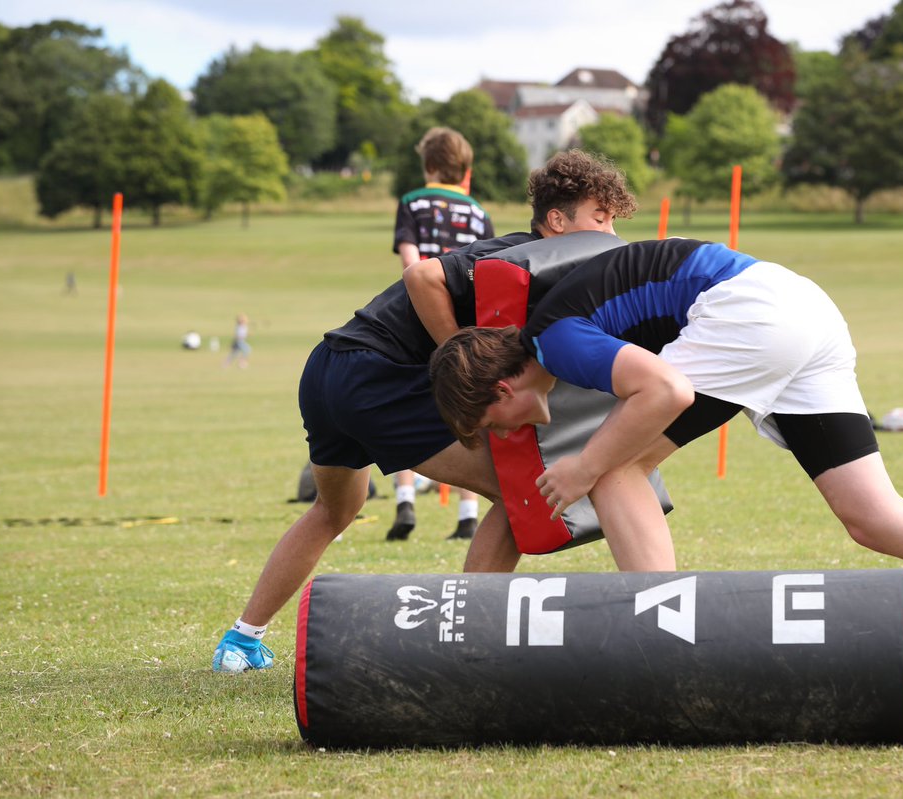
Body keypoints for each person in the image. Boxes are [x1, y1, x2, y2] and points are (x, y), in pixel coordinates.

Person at [429, 238, 903, 703]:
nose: (510, 434)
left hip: (752, 314)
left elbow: (664, 391)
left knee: (614, 472)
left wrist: (584, 464)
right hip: (802, 310)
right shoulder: (556, 338)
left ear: (500, 390)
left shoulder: (555, 337)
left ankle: (666, 661)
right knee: (873, 516)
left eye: (496, 423)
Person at [211, 150, 638, 673]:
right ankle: (464, 644)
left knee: (335, 510)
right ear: (556, 221)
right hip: (376, 373)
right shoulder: (525, 255)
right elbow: (422, 278)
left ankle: (241, 642)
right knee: (523, 493)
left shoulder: (554, 270)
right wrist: (462, 360)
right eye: (600, 218)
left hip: (327, 369)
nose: (610, 234)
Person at [390, 127, 496, 542]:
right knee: (462, 409)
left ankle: (405, 503)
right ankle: (468, 512)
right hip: (463, 320)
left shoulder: (412, 202)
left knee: (403, 404)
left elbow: (411, 263)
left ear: (428, 165)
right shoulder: (479, 212)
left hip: (416, 316)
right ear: (464, 168)